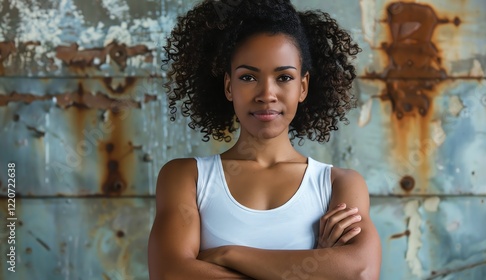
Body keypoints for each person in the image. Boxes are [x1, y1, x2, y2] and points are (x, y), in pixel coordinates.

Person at [148, 0, 382, 279]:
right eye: (248, 77)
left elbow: (361, 271)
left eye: (284, 77)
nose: (267, 94)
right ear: (228, 86)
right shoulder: (187, 177)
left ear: (303, 87)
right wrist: (316, 265)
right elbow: (171, 273)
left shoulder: (338, 184)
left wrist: (229, 254)